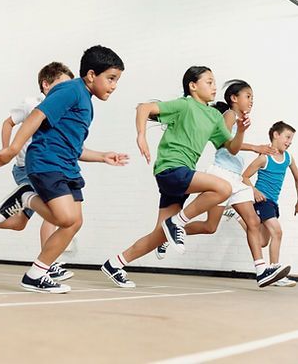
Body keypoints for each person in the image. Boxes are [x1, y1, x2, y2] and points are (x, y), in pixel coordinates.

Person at [101, 66, 288, 289]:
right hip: (170, 168)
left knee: (159, 235)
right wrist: (141, 135)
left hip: (182, 175)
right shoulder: (185, 104)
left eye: (214, 82)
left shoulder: (213, 116)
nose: (214, 86)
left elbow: (232, 148)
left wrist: (240, 131)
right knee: (223, 188)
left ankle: (115, 264)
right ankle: (177, 223)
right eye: (208, 82)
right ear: (193, 86)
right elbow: (143, 108)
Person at [0, 45, 128, 293]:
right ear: (90, 75)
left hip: (67, 166)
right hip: (47, 161)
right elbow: (36, 116)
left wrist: (102, 156)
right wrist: (12, 149)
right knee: (65, 218)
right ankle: (26, 197)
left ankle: (35, 275)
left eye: (116, 80)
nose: (114, 85)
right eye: (110, 78)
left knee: (74, 223)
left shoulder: (86, 101)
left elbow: (75, 147)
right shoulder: (71, 90)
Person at [154, 80, 290, 287]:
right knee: (211, 227)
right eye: (248, 96)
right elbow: (226, 145)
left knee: (249, 223)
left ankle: (261, 270)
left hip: (236, 178)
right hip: (222, 175)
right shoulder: (228, 115)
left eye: (252, 97)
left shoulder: (241, 120)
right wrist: (255, 147)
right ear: (234, 99)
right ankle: (166, 234)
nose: (251, 101)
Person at [0, 62, 74, 281]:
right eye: (61, 85)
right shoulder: (32, 103)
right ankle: (50, 263)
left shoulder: (62, 108)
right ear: (46, 85)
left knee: (17, 223)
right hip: (29, 167)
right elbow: (7, 123)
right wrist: (7, 149)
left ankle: (48, 261)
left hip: (49, 168)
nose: (66, 91)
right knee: (56, 213)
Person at [242, 121, 298, 287]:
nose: (289, 142)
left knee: (262, 242)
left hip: (273, 203)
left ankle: (240, 220)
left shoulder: (288, 158)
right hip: (262, 201)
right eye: (287, 137)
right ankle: (275, 273)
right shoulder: (263, 158)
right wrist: (254, 191)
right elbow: (244, 177)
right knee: (278, 232)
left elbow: (297, 177)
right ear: (276, 135)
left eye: (291, 140)